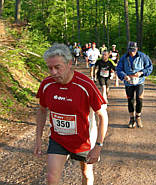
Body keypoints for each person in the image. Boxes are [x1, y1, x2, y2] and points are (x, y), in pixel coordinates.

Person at [34, 43, 108, 185]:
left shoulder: (85, 85)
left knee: (86, 174)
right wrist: (38, 138)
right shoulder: (46, 84)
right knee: (51, 178)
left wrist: (98, 146)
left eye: (57, 67)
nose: (53, 72)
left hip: (83, 141)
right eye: (50, 68)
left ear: (69, 64)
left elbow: (102, 115)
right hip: (58, 139)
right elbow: (42, 110)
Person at [116, 41, 153, 128]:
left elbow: (149, 67)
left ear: (137, 49)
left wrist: (141, 73)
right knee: (130, 100)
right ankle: (132, 119)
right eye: (130, 50)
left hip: (139, 81)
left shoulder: (143, 56)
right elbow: (118, 68)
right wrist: (124, 76)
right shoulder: (124, 58)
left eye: (134, 50)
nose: (132, 52)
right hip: (128, 81)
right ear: (128, 49)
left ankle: (138, 117)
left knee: (139, 99)